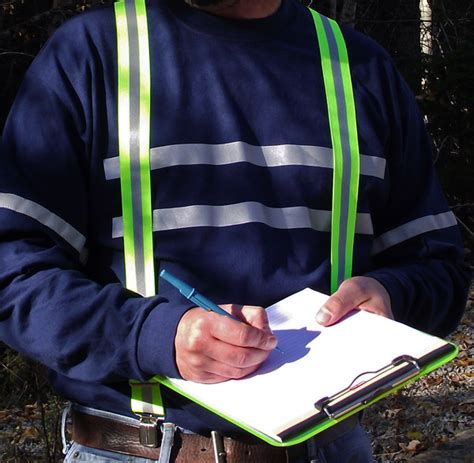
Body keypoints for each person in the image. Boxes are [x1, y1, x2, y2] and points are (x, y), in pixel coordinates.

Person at [0, 0, 470, 461]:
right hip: (136, 448)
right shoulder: (94, 55)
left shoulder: (358, 66)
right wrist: (154, 336)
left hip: (330, 447)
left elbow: (438, 266)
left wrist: (391, 295)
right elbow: (12, 272)